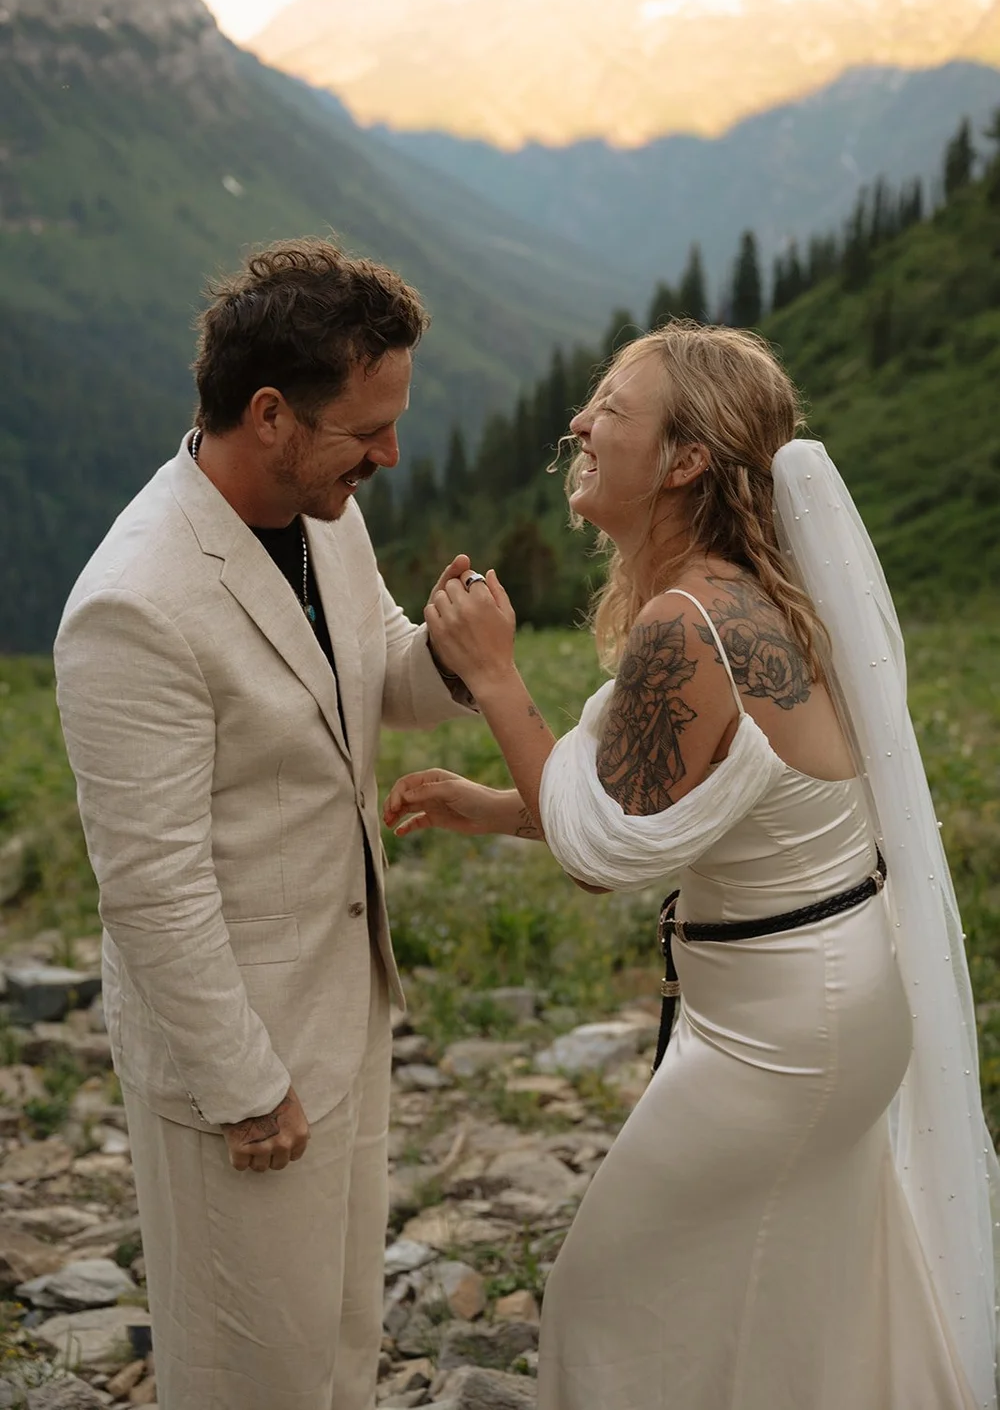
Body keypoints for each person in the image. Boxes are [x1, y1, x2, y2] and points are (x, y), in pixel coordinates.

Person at [384, 322, 999, 1410]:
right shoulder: (756, 599)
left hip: (780, 1035)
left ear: (685, 461)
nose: (578, 421)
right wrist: (493, 810)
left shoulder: (688, 625)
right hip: (823, 1008)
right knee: (799, 1309)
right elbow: (687, 803)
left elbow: (599, 850)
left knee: (610, 1299)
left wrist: (492, 677)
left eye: (611, 409)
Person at [54, 239, 478, 1410]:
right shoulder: (133, 606)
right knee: (251, 1375)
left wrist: (447, 654)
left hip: (343, 1010)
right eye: (368, 429)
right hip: (242, 1068)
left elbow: (371, 669)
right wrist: (249, 1088)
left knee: (338, 1347)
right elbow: (153, 890)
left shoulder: (321, 509)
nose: (391, 454)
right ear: (272, 414)